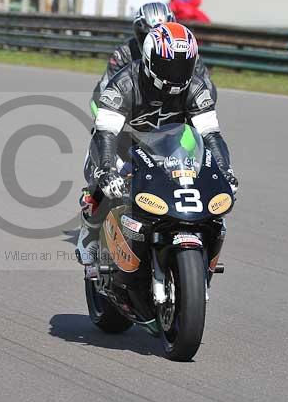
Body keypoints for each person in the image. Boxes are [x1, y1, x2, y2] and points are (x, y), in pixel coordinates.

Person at [76, 22, 238, 278]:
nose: (176, 72)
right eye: (169, 65)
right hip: (121, 147)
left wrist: (225, 169)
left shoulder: (195, 87)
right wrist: (106, 169)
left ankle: (200, 253)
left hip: (167, 149)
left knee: (207, 190)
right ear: (150, 59)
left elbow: (211, 135)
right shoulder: (124, 83)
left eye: (183, 64)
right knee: (105, 184)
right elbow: (105, 132)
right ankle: (90, 231)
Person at [94, 2, 174, 94]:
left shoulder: (183, 55)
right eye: (148, 37)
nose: (155, 44)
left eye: (161, 38)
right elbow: (105, 87)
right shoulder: (124, 54)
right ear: (138, 34)